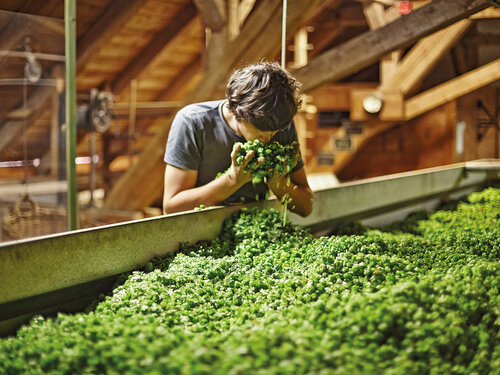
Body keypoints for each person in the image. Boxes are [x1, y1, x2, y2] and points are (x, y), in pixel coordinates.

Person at [163, 61, 313, 217]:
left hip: (256, 229)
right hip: (198, 231)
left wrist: (278, 182)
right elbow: (172, 208)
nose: (268, 139)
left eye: (273, 132)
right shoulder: (192, 122)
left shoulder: (280, 123)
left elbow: (306, 208)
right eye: (260, 131)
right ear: (236, 111)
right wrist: (233, 179)